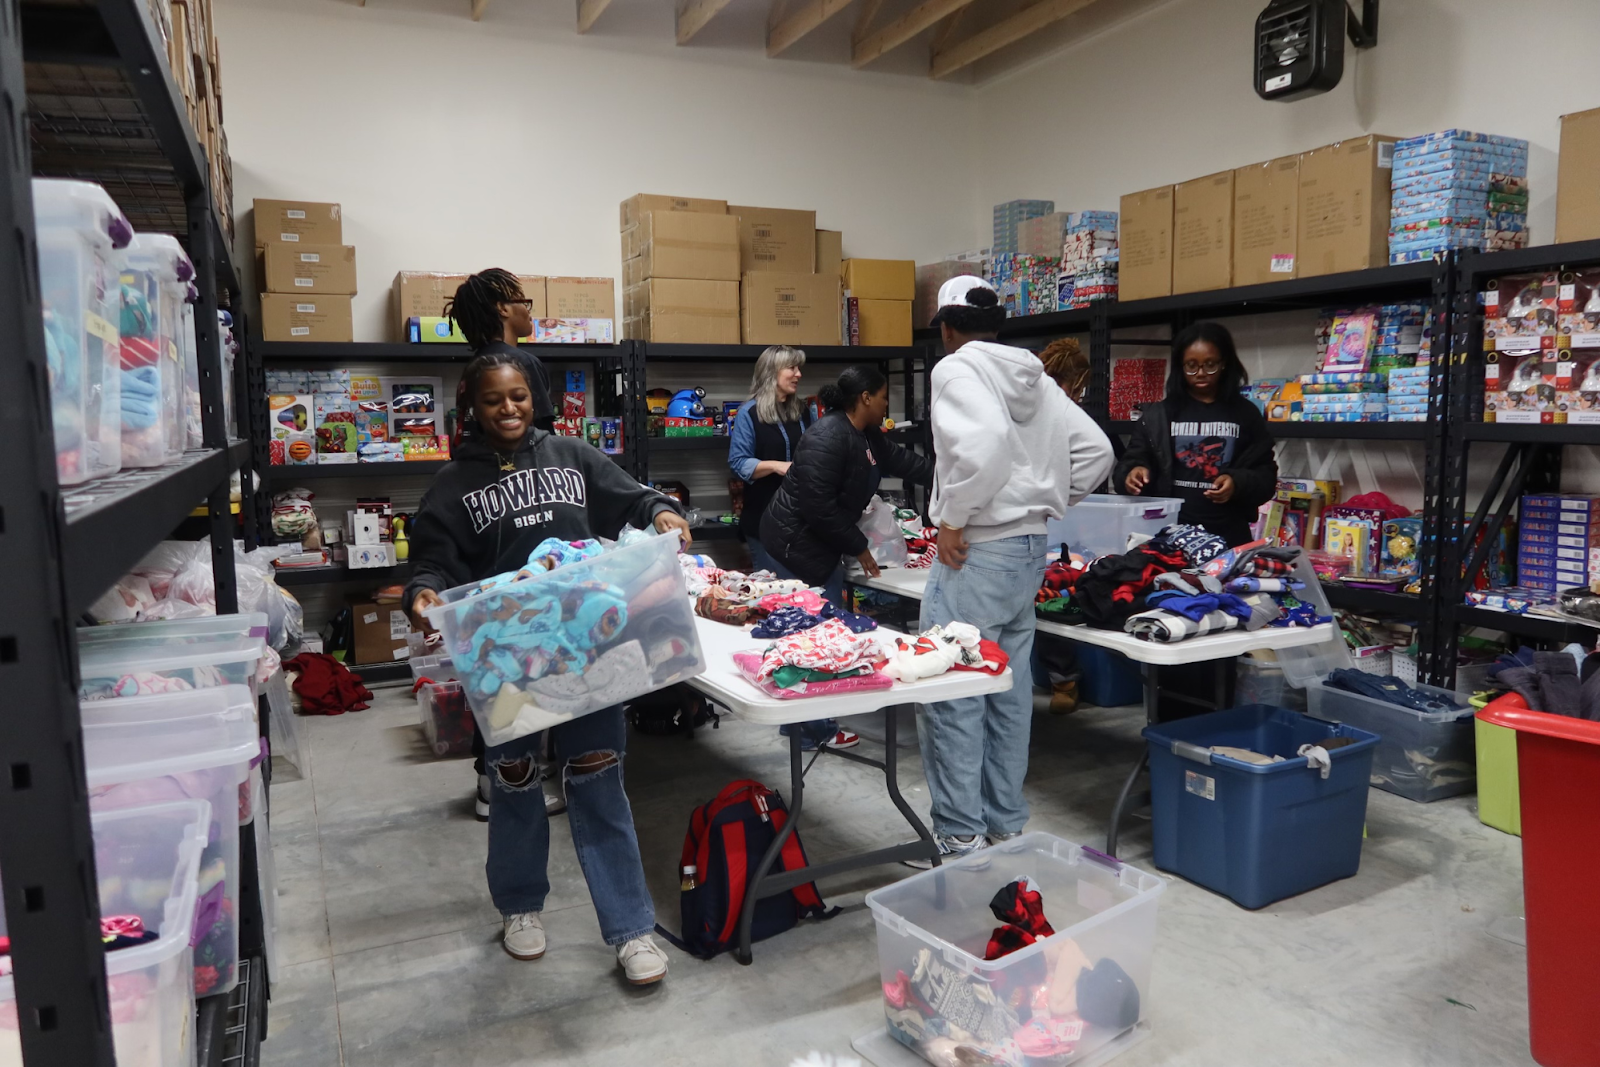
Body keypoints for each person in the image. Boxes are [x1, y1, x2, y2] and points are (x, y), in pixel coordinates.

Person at [401, 347, 690, 984]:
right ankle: (520, 908)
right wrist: (422, 595)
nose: (508, 409)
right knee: (513, 779)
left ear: (535, 398)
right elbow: (431, 563)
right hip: (504, 661)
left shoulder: (571, 455)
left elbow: (631, 497)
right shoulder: (452, 484)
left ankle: (632, 929)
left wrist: (659, 510)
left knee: (598, 775)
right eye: (492, 400)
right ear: (472, 408)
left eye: (518, 396)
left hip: (588, 651)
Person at [914, 276, 1114, 866]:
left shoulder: (956, 368)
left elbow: (986, 446)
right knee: (1007, 687)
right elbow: (1098, 452)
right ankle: (1004, 825)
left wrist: (955, 518)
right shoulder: (1034, 375)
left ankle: (960, 836)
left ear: (947, 329)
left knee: (952, 689)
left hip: (977, 549)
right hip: (1029, 549)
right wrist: (1042, 500)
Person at [761, 365, 934, 751]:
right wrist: (858, 545)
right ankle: (812, 729)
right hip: (796, 545)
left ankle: (805, 723)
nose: (888, 404)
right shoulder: (827, 436)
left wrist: (947, 480)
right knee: (815, 636)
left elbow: (904, 462)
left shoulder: (866, 434)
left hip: (818, 544)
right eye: (884, 396)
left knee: (818, 631)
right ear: (865, 398)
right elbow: (818, 507)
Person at [1114, 321, 1278, 548]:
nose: (1200, 373)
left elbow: (1266, 477)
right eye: (1191, 366)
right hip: (1168, 536)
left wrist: (1237, 483)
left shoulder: (1245, 414)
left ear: (1224, 363)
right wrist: (1132, 474)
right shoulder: (1158, 415)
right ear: (1180, 367)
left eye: (1210, 365)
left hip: (1228, 539)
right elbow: (1130, 463)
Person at [728, 345, 808, 576]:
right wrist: (775, 465)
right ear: (772, 372)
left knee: (804, 591)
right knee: (772, 590)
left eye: (799, 368)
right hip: (764, 521)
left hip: (801, 523)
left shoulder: (802, 412)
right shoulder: (749, 414)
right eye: (791, 368)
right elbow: (738, 463)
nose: (798, 374)